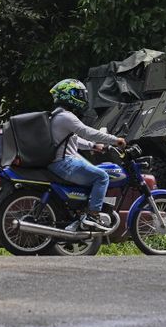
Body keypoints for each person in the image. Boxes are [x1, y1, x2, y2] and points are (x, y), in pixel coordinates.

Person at [47, 78, 126, 231]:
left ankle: (81, 214)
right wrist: (115, 140)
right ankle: (93, 215)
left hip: (60, 163)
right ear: (69, 95)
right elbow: (88, 132)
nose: (82, 98)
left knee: (94, 174)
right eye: (78, 94)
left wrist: (93, 146)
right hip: (65, 163)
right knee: (102, 177)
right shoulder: (66, 117)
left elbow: (74, 140)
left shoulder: (57, 116)